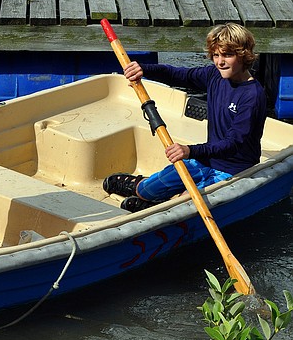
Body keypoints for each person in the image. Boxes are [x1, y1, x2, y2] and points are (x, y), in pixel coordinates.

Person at [103, 22, 267, 212]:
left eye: (227, 55)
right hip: (206, 159)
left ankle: (166, 203)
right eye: (216, 55)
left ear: (243, 55)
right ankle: (142, 188)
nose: (220, 61)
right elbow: (177, 74)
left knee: (182, 206)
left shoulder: (253, 96)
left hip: (234, 171)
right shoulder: (214, 75)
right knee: (143, 191)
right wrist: (144, 69)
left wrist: (190, 151)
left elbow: (233, 143)